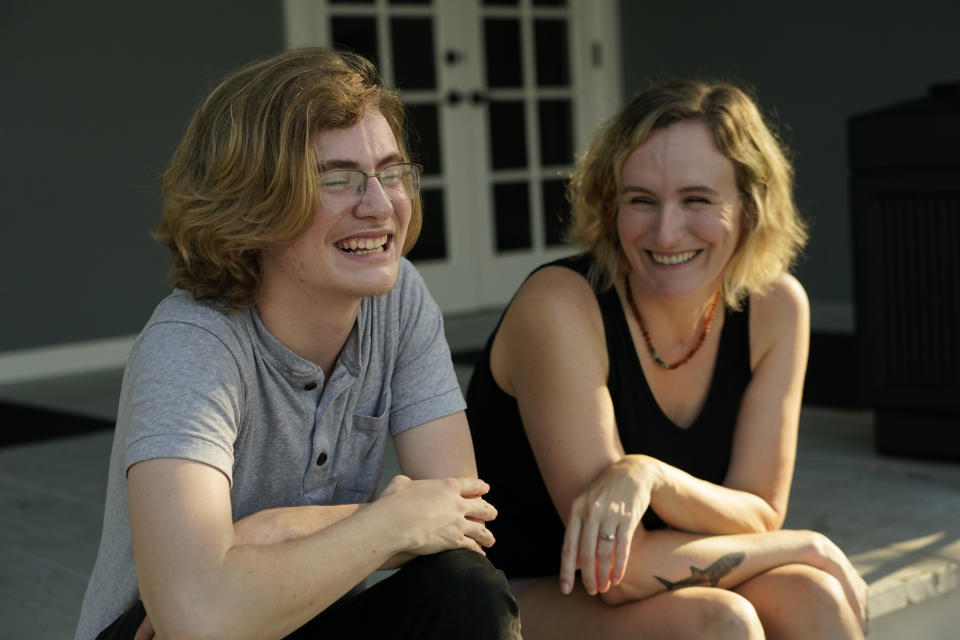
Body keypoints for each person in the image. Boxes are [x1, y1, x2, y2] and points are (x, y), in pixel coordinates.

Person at [75, 47, 520, 640]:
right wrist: (389, 523)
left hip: (303, 611)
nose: (380, 205)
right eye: (337, 179)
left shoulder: (399, 299)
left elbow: (457, 519)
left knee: (466, 588)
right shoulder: (193, 342)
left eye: (390, 173)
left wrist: (265, 533)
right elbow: (195, 619)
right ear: (253, 203)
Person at [466, 80, 868, 639]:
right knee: (719, 621)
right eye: (641, 200)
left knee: (814, 596)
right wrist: (807, 545)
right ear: (611, 205)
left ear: (750, 208)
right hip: (519, 592)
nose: (666, 231)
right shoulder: (558, 307)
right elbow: (616, 570)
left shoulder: (777, 307)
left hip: (661, 572)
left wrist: (651, 476)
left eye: (697, 199)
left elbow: (756, 512)